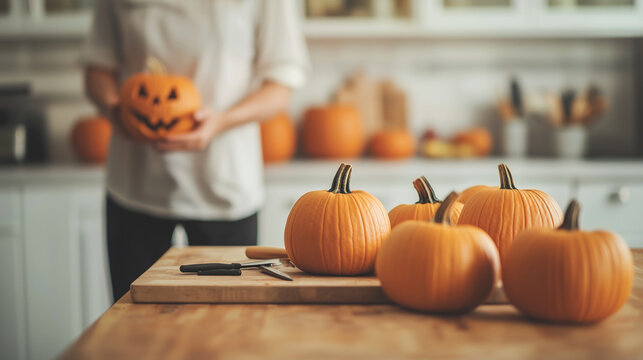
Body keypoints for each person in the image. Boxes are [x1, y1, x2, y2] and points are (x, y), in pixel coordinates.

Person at [82, 0, 310, 301]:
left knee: (227, 320)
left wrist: (221, 122)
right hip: (135, 182)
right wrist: (117, 111)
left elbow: (282, 82)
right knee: (135, 320)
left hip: (225, 183)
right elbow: (98, 67)